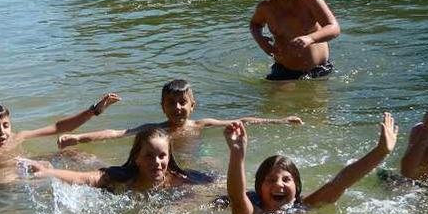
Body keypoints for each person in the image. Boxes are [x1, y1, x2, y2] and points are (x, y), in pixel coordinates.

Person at [222, 113, 397, 214]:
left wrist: (380, 152)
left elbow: (339, 183)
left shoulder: (301, 207)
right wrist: (237, 153)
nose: (279, 184)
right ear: (259, 188)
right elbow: (237, 195)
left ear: (297, 187)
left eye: (286, 179)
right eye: (270, 180)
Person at [57, 79, 302, 149]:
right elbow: (116, 133)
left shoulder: (201, 124)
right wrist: (78, 138)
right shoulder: (156, 129)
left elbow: (242, 120)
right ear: (162, 107)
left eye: (182, 102)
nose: (177, 108)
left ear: (192, 105)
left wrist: (280, 120)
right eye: (171, 103)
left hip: (198, 157)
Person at [0, 93, 120, 183]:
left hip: (29, 167)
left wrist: (94, 111)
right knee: (4, 179)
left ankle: (114, 175)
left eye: (5, 125)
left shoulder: (17, 137)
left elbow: (58, 127)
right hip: (5, 178)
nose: (2, 132)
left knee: (73, 153)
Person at [22, 128, 209, 193]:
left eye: (162, 156)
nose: (157, 162)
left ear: (169, 157)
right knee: (83, 159)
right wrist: (48, 172)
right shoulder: (122, 177)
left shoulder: (178, 178)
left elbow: (215, 185)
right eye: (149, 156)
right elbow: (84, 179)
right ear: (136, 158)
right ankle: (54, 158)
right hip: (108, 172)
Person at [249, 0, 341, 80]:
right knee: (276, 98)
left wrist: (310, 38)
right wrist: (261, 41)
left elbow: (334, 28)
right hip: (283, 71)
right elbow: (255, 24)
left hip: (319, 70)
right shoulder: (266, 7)